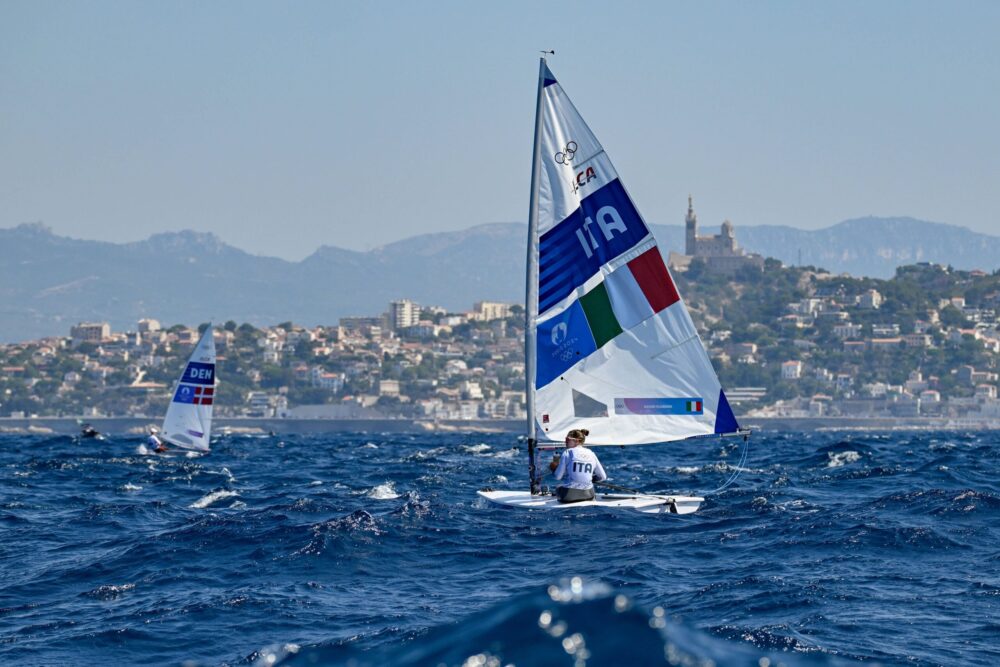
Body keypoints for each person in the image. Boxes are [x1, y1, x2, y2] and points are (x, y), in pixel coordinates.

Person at [548, 428, 607, 503]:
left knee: (558, 487)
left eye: (567, 439)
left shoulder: (567, 452)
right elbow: (603, 477)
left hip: (569, 496)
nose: (565, 442)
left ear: (577, 441)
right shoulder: (592, 453)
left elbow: (558, 477)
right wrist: (591, 478)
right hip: (588, 495)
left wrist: (553, 468)